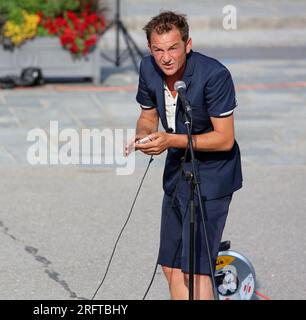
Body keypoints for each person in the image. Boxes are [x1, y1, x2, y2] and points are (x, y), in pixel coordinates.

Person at [125, 11, 242, 300]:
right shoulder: (148, 68)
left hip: (213, 176)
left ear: (187, 45)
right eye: (158, 50)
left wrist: (170, 141)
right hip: (178, 170)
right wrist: (144, 135)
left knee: (197, 270)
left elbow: (225, 139)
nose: (166, 57)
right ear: (150, 49)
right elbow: (147, 115)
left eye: (173, 48)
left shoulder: (214, 75)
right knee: (171, 266)